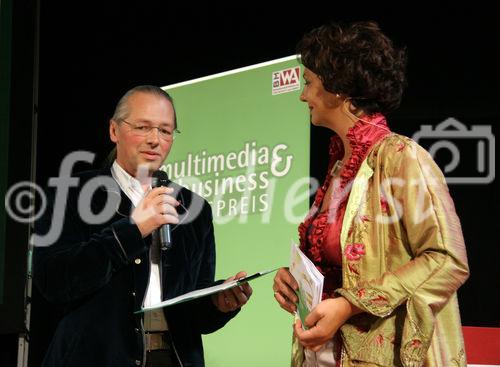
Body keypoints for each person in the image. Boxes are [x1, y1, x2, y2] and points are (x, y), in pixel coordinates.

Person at [272, 21, 469, 367]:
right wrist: (294, 281)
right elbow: (339, 262)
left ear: (338, 87)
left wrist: (349, 304)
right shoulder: (339, 166)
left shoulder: (402, 158)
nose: (303, 96)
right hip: (322, 352)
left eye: (310, 84)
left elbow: (447, 259)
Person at [33, 85, 252, 367]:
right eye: (143, 127)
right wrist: (133, 230)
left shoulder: (194, 208)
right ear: (114, 131)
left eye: (165, 130)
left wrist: (218, 304)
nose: (154, 140)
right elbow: (53, 280)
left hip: (172, 358)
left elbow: (192, 314)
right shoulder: (72, 194)